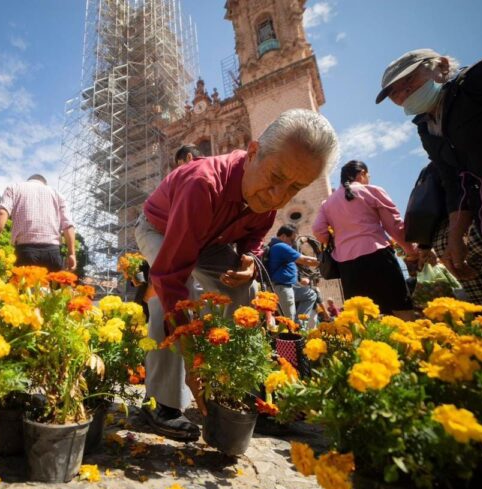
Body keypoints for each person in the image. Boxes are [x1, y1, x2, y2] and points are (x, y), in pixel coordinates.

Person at [135, 109, 339, 441]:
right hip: (160, 228)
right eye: (276, 177)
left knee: (244, 292)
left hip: (211, 239)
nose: (278, 197)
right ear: (253, 152)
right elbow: (170, 275)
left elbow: (254, 236)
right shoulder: (202, 183)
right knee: (169, 296)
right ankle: (161, 404)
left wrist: (249, 259)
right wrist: (193, 357)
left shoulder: (267, 197)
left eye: (295, 188)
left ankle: (241, 392)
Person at [375, 48, 482, 276]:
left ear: (442, 66)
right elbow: (453, 181)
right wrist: (457, 236)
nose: (404, 92)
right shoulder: (426, 129)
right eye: (394, 92)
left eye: (409, 79)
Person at [312, 161, 417, 319]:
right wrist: (411, 251)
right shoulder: (372, 191)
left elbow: (318, 230)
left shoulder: (327, 204)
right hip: (378, 256)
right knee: (399, 308)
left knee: (362, 315)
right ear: (362, 173)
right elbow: (394, 226)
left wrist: (337, 239)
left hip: (347, 266)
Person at [0, 174, 76, 272]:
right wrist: (71, 253)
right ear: (44, 183)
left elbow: (2, 213)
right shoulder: (58, 195)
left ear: (29, 180)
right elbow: (68, 225)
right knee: (52, 282)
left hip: (25, 252)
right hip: (52, 253)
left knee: (24, 282)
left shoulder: (14, 188)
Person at [266, 224, 319, 326]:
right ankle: (293, 329)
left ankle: (298, 324)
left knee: (311, 295)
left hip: (288, 287)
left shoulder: (277, 246)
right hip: (282, 288)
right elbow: (304, 260)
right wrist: (323, 261)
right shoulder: (280, 246)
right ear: (283, 236)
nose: (293, 243)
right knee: (288, 322)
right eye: (292, 240)